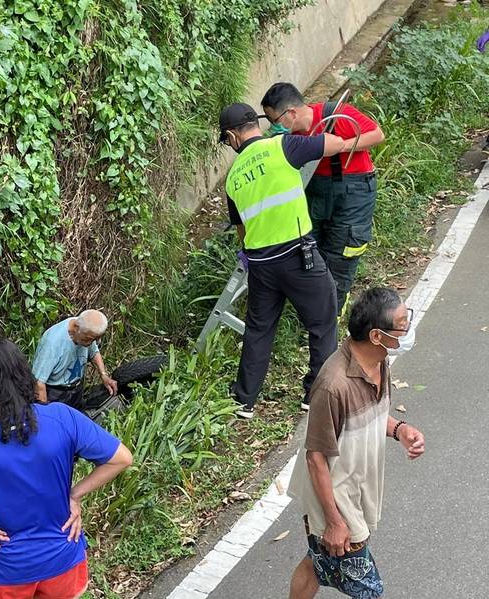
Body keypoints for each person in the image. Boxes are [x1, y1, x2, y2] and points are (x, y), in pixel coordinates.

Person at [0, 336, 133, 599]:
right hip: (62, 559)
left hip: (4, 570)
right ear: (22, 372)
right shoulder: (62, 417)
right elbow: (121, 458)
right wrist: (74, 495)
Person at [287, 287, 425, 599]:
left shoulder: (378, 361)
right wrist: (334, 521)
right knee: (369, 591)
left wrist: (399, 429)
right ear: (377, 335)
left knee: (316, 563)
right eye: (403, 323)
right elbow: (315, 458)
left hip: (354, 489)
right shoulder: (333, 386)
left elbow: (370, 417)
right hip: (335, 500)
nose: (409, 329)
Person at [219, 102, 346, 418]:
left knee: (259, 330)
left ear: (232, 136)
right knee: (323, 319)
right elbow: (335, 144)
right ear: (256, 125)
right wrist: (303, 137)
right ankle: (315, 394)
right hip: (298, 255)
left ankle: (244, 400)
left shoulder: (233, 177)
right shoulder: (283, 146)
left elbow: (241, 230)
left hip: (261, 264)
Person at [261, 82, 385, 315]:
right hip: (316, 191)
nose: (274, 127)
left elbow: (377, 134)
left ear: (291, 113)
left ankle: (332, 313)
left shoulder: (335, 115)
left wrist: (338, 147)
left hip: (353, 190)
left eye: (275, 121)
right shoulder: (291, 138)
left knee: (342, 253)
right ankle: (313, 312)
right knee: (311, 251)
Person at [31, 310, 118, 410]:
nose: (91, 343)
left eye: (94, 339)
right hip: (55, 393)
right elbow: (38, 383)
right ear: (76, 328)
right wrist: (46, 411)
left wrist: (104, 375)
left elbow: (94, 352)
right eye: (88, 339)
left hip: (76, 389)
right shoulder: (53, 343)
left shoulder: (87, 329)